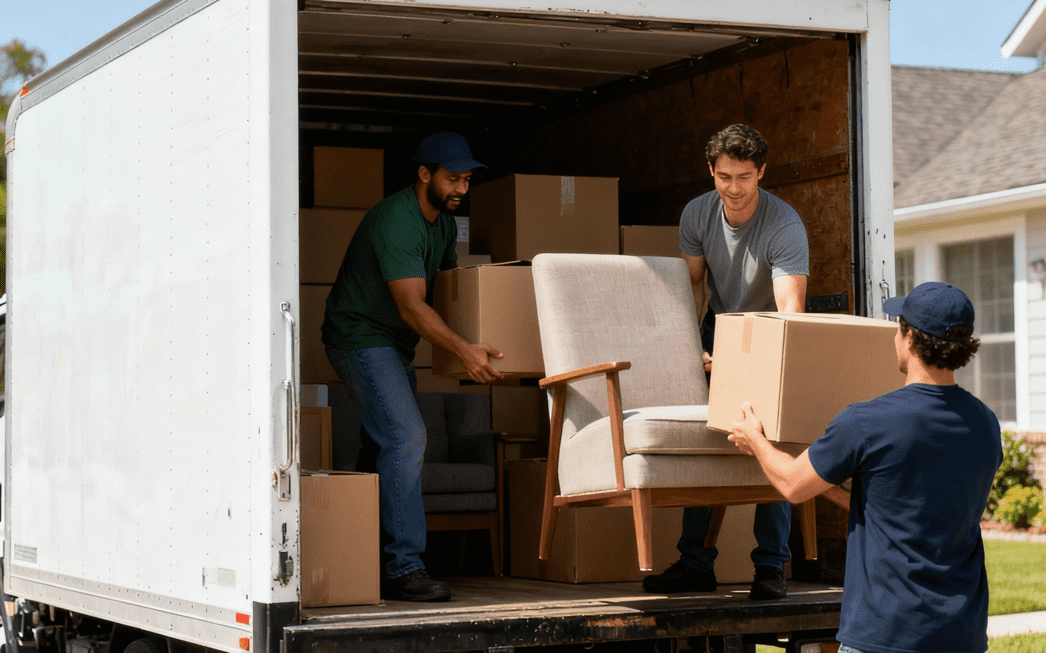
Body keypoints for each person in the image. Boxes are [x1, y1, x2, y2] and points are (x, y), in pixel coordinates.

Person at [727, 281, 1002, 653]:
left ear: (908, 338)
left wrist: (755, 441)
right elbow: (898, 503)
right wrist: (829, 475)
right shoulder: (985, 424)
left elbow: (792, 485)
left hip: (885, 637)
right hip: (962, 636)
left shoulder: (868, 421)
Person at [321, 131, 504, 602]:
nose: (461, 189)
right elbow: (411, 306)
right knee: (406, 437)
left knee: (380, 450)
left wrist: (481, 332)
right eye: (452, 179)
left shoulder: (441, 224)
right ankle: (404, 568)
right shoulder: (397, 222)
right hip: (360, 338)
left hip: (393, 345)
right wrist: (463, 350)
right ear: (424, 175)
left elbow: (446, 288)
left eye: (466, 180)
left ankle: (362, 557)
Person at [643, 124, 809, 599]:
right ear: (711, 171)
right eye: (724, 177)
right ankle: (696, 563)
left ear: (762, 172)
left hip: (770, 330)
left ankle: (770, 568)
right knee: (707, 435)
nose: (733, 189)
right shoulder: (697, 213)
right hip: (719, 324)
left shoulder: (784, 224)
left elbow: (789, 311)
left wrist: (755, 365)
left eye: (744, 177)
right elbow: (692, 286)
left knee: (769, 439)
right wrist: (690, 344)